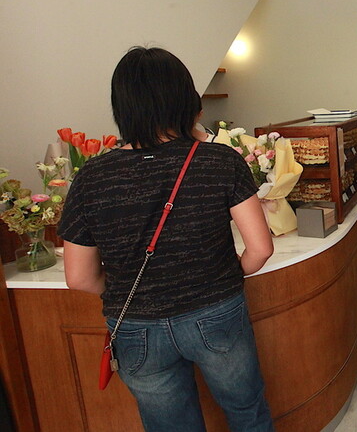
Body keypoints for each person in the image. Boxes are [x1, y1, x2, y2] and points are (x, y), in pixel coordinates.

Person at [60, 47, 275, 432]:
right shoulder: (219, 161)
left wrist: (130, 292)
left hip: (135, 326)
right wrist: (225, 276)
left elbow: (78, 277)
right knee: (246, 411)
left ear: (122, 106)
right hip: (215, 310)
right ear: (184, 100)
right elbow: (260, 249)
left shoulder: (91, 177)